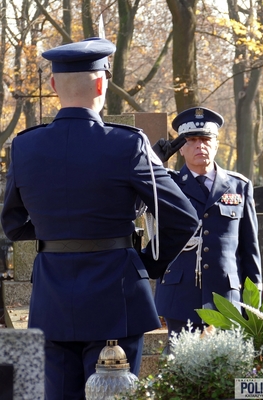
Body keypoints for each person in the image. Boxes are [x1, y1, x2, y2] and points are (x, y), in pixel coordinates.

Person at [0, 38, 199, 400]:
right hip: (117, 294)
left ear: (53, 86)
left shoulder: (25, 145)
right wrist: (148, 263)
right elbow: (184, 217)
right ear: (101, 83)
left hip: (52, 298)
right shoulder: (129, 143)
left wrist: (53, 233)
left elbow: (12, 223)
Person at [153, 106, 262, 338]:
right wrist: (151, 164)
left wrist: (254, 296)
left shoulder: (239, 186)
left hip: (226, 296)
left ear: (216, 144)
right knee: (179, 368)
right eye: (191, 140)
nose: (199, 146)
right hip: (180, 296)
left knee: (227, 368)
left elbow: (249, 248)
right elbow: (131, 206)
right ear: (181, 148)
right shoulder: (166, 183)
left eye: (205, 139)